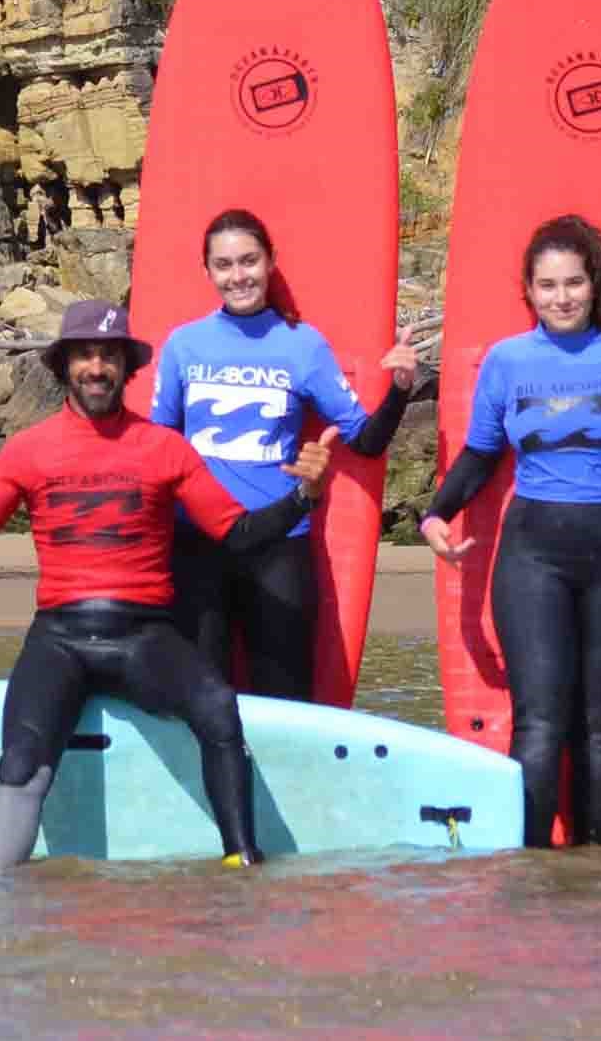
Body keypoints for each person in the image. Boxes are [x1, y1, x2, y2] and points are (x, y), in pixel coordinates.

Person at [0, 300, 328, 869]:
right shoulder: (28, 450)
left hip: (145, 634)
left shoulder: (165, 448)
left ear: (126, 367)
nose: (97, 367)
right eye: (85, 356)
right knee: (20, 764)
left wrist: (302, 497)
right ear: (63, 366)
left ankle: (242, 864)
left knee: (220, 707)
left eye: (109, 355)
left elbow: (237, 534)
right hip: (60, 638)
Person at [417, 215, 601, 850]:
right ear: (529, 290)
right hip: (534, 557)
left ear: (594, 285)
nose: (561, 297)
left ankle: (597, 872)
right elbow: (480, 454)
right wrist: (435, 513)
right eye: (547, 285)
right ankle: (531, 875)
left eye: (573, 283)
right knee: (540, 726)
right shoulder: (508, 361)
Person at [148, 207, 424, 698]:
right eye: (225, 265)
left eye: (249, 260)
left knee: (285, 702)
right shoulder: (184, 346)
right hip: (197, 544)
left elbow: (365, 440)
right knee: (202, 700)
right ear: (207, 272)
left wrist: (401, 389)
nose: (239, 276)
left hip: (278, 542)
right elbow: (157, 448)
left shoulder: (303, 345)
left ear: (271, 261)